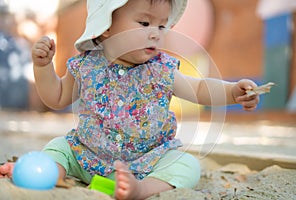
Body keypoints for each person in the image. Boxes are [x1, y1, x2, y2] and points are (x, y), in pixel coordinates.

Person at [0, 0, 260, 199]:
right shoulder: (86, 66)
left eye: (162, 24)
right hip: (86, 155)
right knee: (59, 147)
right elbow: (56, 97)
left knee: (186, 165)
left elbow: (200, 89)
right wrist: (43, 67)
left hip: (145, 162)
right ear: (106, 27)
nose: (156, 33)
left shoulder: (161, 69)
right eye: (145, 24)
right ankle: (46, 171)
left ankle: (140, 189)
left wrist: (232, 92)